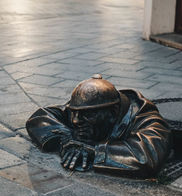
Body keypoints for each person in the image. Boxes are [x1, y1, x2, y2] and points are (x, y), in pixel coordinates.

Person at [26, 74, 171, 178]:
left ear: (113, 112)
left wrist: (95, 151)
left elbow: (147, 156)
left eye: (86, 115)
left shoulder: (146, 118)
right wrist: (66, 138)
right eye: (74, 113)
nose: (76, 121)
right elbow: (40, 117)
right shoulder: (86, 109)